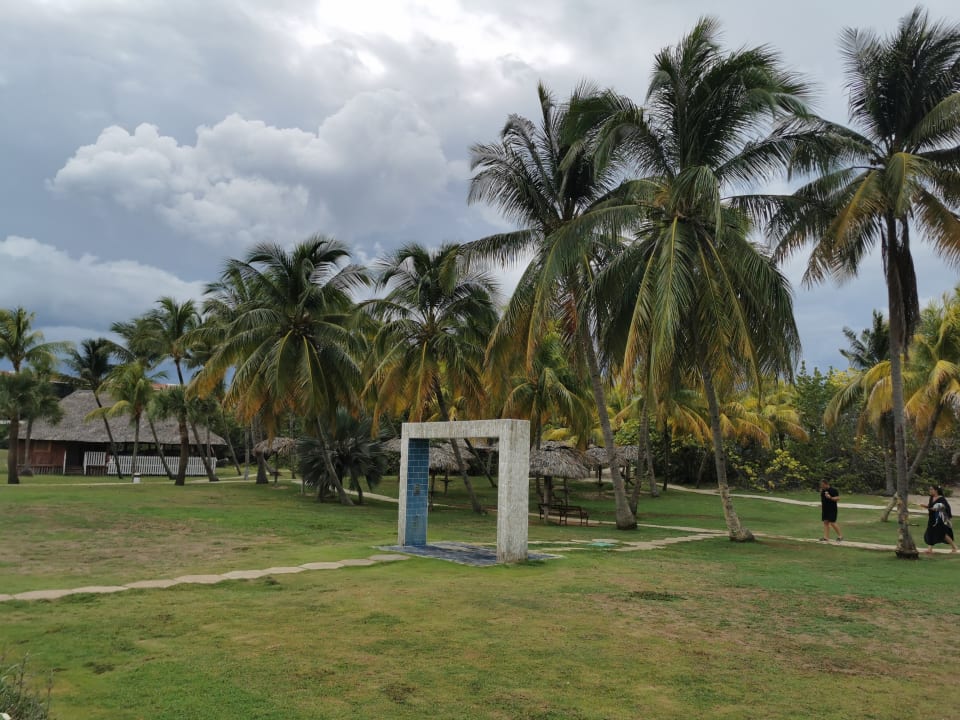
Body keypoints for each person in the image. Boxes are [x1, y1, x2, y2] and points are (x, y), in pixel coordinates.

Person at [919, 485, 957, 554]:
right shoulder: (931, 497)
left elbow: (945, 508)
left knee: (942, 534)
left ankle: (954, 547)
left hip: (939, 519)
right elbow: (931, 506)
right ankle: (929, 549)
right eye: (929, 489)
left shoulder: (941, 499)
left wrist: (933, 508)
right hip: (932, 518)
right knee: (930, 532)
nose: (930, 491)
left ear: (936, 490)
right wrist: (924, 506)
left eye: (931, 489)